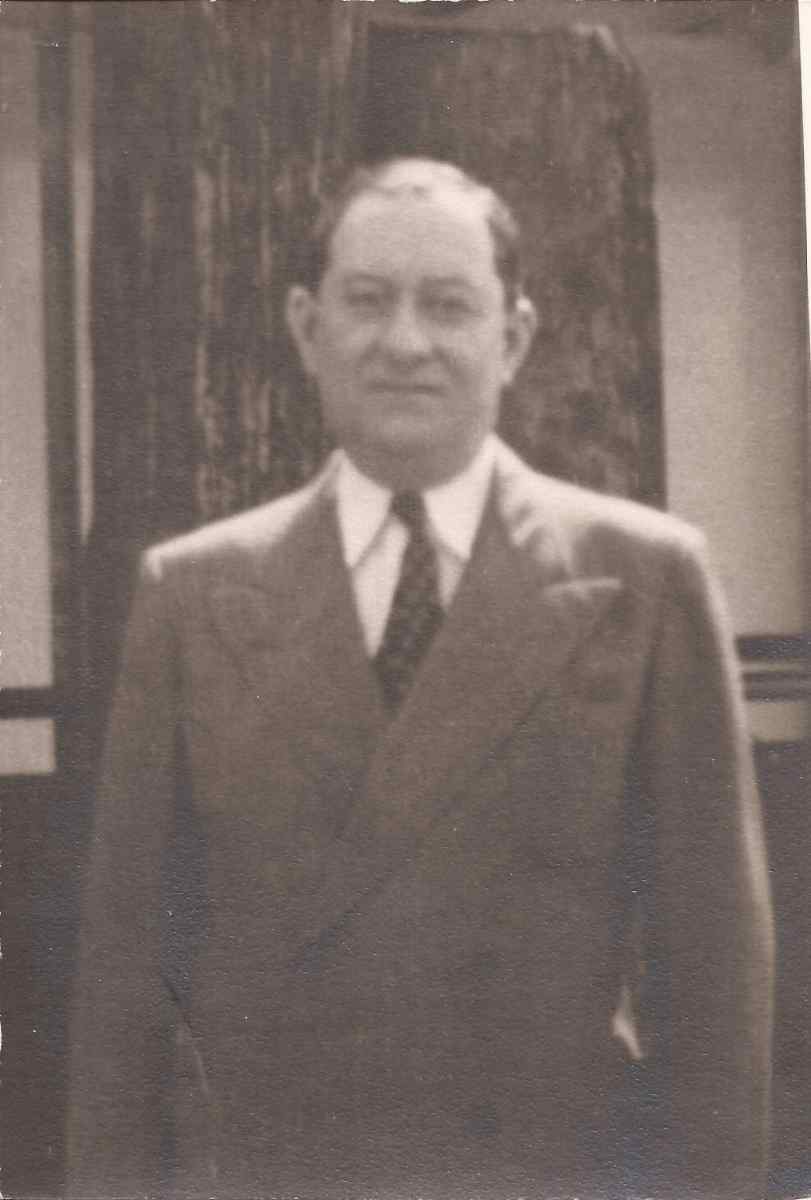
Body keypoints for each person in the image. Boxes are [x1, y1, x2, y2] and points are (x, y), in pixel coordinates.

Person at [68, 158, 774, 1199]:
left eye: (447, 305)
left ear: (513, 338)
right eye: (367, 300)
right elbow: (122, 992)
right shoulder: (191, 594)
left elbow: (714, 985)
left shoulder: (644, 580)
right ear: (306, 328)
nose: (405, 342)